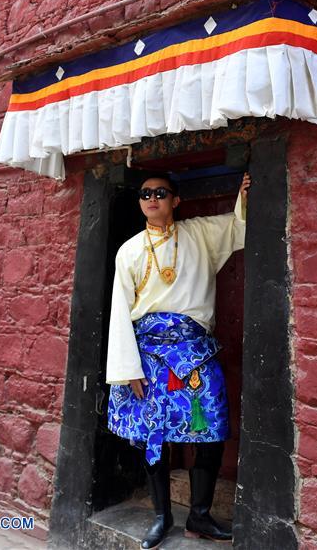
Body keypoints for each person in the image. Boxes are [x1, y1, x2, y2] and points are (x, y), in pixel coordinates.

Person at [106, 172, 250, 548]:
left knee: (212, 430)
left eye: (160, 192)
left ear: (176, 199)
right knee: (153, 434)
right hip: (148, 355)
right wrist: (126, 370)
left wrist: (248, 194)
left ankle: (199, 517)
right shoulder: (130, 250)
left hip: (196, 352)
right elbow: (120, 311)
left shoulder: (200, 233)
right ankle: (161, 516)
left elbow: (239, 226)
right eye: (145, 193)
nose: (152, 198)